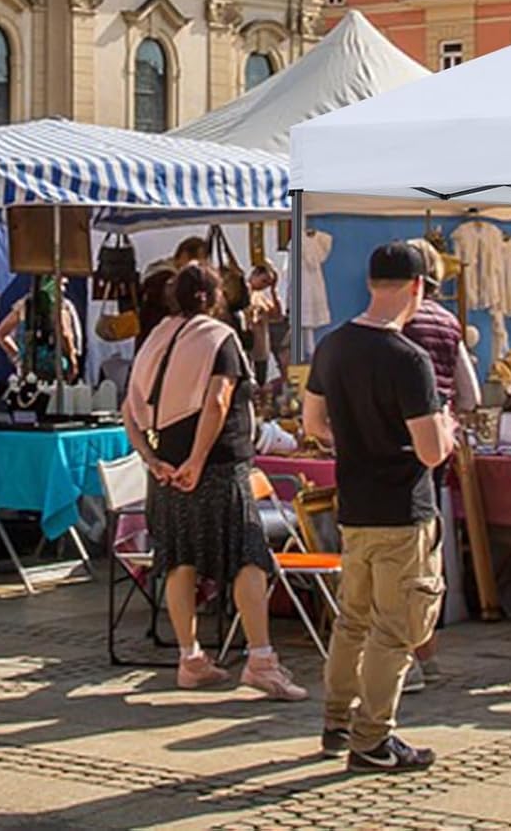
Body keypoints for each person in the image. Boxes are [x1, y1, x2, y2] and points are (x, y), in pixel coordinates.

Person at [304, 242, 455, 773]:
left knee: (351, 620)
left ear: (370, 284)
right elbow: (431, 451)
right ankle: (371, 738)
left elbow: (312, 425)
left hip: (355, 505)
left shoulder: (332, 346)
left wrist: (352, 442)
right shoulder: (407, 359)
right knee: (395, 628)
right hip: (401, 507)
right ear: (417, 287)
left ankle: (336, 721)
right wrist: (449, 429)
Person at [122, 263, 305, 700]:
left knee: (179, 559)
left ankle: (191, 659)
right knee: (248, 557)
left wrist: (150, 459)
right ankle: (261, 661)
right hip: (217, 466)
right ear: (217, 296)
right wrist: (199, 460)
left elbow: (129, 407)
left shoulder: (156, 338)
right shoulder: (218, 337)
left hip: (167, 465)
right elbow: (219, 400)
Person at [400, 239, 481, 690]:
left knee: (401, 556)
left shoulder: (394, 325)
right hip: (435, 445)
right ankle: (424, 648)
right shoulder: (448, 323)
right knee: (425, 552)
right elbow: (468, 395)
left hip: (394, 449)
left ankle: (411, 652)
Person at [0, 276, 82, 383]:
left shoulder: (25, 304)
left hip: (28, 367)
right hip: (53, 367)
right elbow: (63, 333)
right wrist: (72, 360)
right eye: (62, 285)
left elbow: (0, 333)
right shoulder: (58, 305)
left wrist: (18, 357)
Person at [246, 261, 283, 388]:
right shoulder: (242, 293)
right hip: (247, 345)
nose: (264, 286)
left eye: (267, 284)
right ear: (255, 275)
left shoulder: (261, 296)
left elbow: (277, 315)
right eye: (264, 281)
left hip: (261, 348)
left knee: (261, 382)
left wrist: (274, 291)